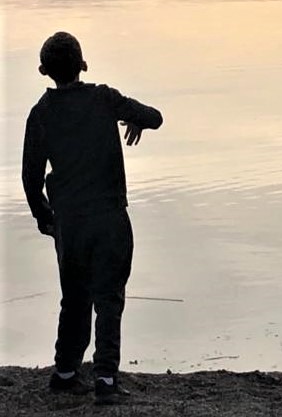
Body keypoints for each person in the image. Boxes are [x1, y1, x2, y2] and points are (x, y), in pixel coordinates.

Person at [21, 32, 163, 405]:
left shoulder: (41, 114)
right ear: (83, 65)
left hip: (69, 222)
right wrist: (137, 121)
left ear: (43, 71)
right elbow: (155, 117)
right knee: (109, 299)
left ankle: (66, 372)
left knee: (74, 297)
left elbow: (30, 176)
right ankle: (105, 378)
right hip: (109, 217)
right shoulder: (104, 99)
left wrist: (43, 217)